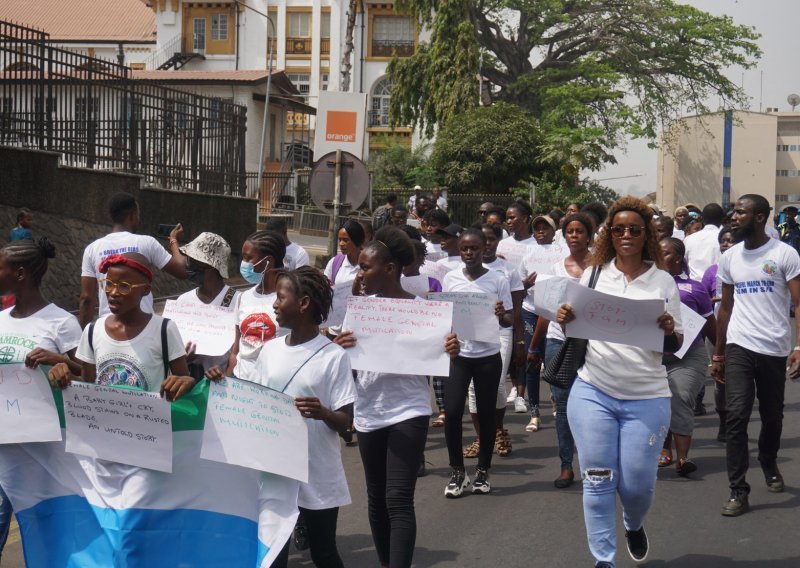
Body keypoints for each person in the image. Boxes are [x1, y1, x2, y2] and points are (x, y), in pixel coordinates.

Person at [556, 196, 683, 567]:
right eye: (618, 229)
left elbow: (674, 346)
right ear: (609, 234)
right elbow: (574, 326)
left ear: (646, 234)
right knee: (597, 481)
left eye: (634, 229)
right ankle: (604, 559)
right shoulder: (594, 276)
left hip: (647, 397)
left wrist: (669, 328)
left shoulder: (663, 282)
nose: (626, 234)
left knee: (636, 486)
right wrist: (565, 316)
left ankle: (633, 522)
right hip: (593, 390)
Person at [334, 226, 459, 568]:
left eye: (365, 267)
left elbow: (440, 357)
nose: (359, 273)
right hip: (369, 410)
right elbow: (343, 363)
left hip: (409, 410)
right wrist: (338, 347)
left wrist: (450, 348)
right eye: (359, 267)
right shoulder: (359, 310)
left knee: (398, 498)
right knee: (376, 497)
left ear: (389, 269)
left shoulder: (423, 311)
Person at [257, 267, 356, 568]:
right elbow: (255, 404)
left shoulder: (333, 355)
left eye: (281, 297)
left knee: (323, 552)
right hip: (275, 471)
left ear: (303, 303)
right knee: (273, 555)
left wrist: (322, 412)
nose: (274, 304)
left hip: (317, 471)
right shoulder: (269, 351)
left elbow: (346, 421)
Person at [711, 194, 800, 517]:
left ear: (759, 217)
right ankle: (738, 489)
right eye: (733, 212)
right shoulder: (730, 257)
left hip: (774, 347)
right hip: (739, 345)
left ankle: (768, 460)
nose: (733, 218)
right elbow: (725, 308)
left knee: (773, 416)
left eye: (740, 212)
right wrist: (718, 355)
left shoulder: (783, 254)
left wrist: (799, 347)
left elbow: (798, 303)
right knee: (736, 415)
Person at [0, 237, 83, 562]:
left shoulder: (62, 323)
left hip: (43, 455)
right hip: (2, 449)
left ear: (20, 274)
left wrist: (61, 363)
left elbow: (89, 379)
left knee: (49, 537)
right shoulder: (1, 318)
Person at [61, 253, 196, 401]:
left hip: (151, 422)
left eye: (124, 286)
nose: (112, 293)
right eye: (109, 283)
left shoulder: (164, 330)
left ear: (145, 290)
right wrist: (65, 376)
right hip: (104, 422)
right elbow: (88, 386)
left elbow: (183, 381)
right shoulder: (92, 331)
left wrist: (188, 382)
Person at [442, 228, 513, 497]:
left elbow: (508, 320)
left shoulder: (498, 279)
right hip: (459, 356)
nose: (469, 253)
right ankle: (457, 472)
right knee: (451, 412)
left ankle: (483, 470)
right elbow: (444, 316)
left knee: (486, 414)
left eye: (474, 248)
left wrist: (500, 314)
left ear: (485, 249)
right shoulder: (450, 278)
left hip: (487, 356)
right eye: (464, 249)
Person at [527, 213, 593, 488]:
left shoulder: (602, 268)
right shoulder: (555, 268)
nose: (574, 235)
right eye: (570, 231)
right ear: (564, 236)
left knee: (592, 404)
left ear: (589, 235)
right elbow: (545, 310)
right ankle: (566, 465)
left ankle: (592, 464)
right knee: (563, 404)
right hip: (558, 341)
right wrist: (534, 346)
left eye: (579, 231)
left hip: (592, 342)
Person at [462, 223, 525, 460]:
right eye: (483, 240)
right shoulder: (461, 271)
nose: (487, 245)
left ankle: (498, 429)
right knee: (472, 389)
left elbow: (515, 310)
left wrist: (520, 341)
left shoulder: (507, 271)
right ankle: (481, 437)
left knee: (497, 384)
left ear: (498, 241)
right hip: (471, 333)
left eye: (491, 240)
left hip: (500, 332)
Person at [79, 192, 187, 328]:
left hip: (108, 329)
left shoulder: (92, 249)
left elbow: (86, 299)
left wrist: (84, 338)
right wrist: (174, 240)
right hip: (144, 327)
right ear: (132, 216)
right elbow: (182, 270)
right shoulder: (147, 243)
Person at [657, 237, 716, 476]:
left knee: (679, 396)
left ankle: (683, 458)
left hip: (688, 356)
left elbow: (712, 329)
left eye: (666, 253)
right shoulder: (647, 285)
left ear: (678, 258)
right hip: (655, 357)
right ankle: (664, 449)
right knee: (659, 401)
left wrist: (721, 356)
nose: (661, 257)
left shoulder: (695, 288)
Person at [519, 214, 568, 429]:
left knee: (552, 360)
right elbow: (519, 282)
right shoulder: (527, 252)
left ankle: (556, 402)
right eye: (537, 227)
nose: (540, 230)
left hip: (554, 312)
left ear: (552, 230)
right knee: (532, 359)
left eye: (545, 227)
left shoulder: (562, 251)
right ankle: (535, 413)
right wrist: (525, 285)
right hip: (531, 309)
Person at [176, 232, 240, 380]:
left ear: (210, 265)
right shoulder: (183, 301)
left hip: (223, 384)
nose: (188, 265)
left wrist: (228, 376)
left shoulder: (238, 302)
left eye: (193, 261)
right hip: (188, 384)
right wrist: (182, 359)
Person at [226, 231, 288, 380]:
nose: (244, 263)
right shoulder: (243, 297)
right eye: (243, 257)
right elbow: (237, 350)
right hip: (241, 384)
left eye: (249, 258)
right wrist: (227, 379)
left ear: (269, 261)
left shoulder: (289, 299)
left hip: (273, 387)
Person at [497, 200, 538, 410]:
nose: (509, 221)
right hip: (507, 301)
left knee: (522, 345)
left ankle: (523, 392)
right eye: (508, 217)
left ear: (525, 219)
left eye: (513, 217)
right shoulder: (503, 244)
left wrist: (525, 284)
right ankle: (513, 386)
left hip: (528, 301)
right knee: (509, 344)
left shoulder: (536, 245)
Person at [324, 220, 365, 336]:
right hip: (335, 329)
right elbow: (325, 287)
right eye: (339, 240)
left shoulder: (368, 265)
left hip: (357, 329)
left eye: (346, 240)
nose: (341, 244)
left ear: (357, 241)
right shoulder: (335, 262)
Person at [684, 203, 725, 280]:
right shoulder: (726, 240)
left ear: (702, 218)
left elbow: (684, 264)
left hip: (695, 287)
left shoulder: (689, 239)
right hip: (717, 286)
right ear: (722, 219)